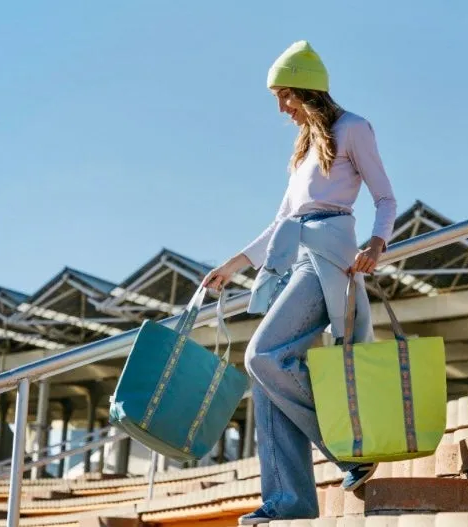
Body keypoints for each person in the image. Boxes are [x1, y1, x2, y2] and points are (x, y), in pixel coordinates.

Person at [202, 40, 397, 525]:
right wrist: (233, 265)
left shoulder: (354, 128)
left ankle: (351, 449)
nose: (281, 107)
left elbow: (386, 197)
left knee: (261, 355)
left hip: (329, 261)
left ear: (308, 91)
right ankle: (289, 503)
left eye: (285, 95)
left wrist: (377, 243)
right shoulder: (306, 147)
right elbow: (281, 224)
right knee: (266, 377)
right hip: (297, 258)